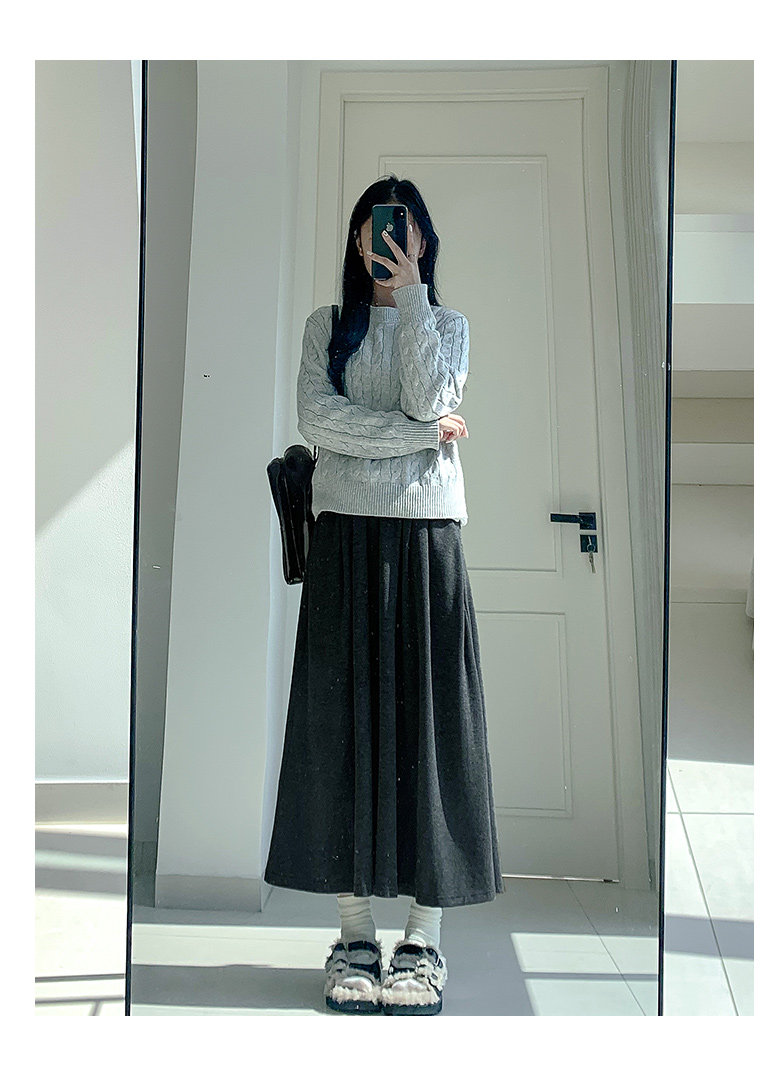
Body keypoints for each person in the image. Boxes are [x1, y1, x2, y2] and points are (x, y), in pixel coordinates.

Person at [263, 175, 504, 1015]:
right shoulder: (325, 327)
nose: (389, 243)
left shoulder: (447, 325)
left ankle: (424, 941)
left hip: (428, 539)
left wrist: (411, 301)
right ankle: (355, 933)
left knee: (432, 732)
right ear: (356, 240)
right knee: (340, 729)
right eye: (376, 230)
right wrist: (417, 437)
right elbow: (317, 421)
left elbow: (433, 394)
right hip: (344, 541)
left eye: (403, 231)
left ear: (423, 241)